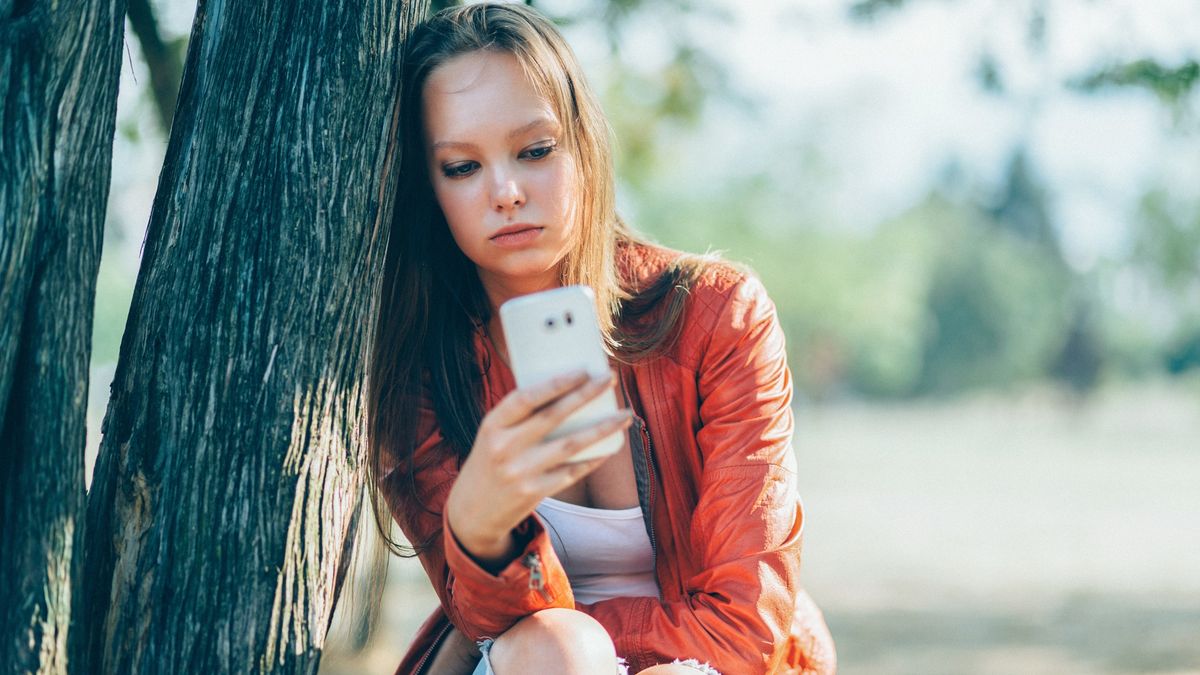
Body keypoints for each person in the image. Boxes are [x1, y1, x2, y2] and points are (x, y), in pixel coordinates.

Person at [367, 4, 836, 674]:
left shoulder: (715, 315)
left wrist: (595, 643)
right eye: (462, 167)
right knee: (552, 647)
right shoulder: (415, 364)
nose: (505, 191)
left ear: (584, 146)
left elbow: (745, 623)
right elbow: (486, 624)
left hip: (709, 664)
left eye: (534, 151)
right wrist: (475, 528)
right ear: (428, 188)